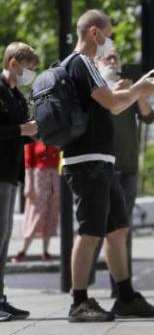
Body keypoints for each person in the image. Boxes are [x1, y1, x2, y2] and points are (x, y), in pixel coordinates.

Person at [61, 9, 154, 322]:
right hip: (89, 160)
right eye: (108, 33)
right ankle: (79, 302)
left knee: (117, 229)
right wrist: (141, 89)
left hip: (102, 161)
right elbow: (113, 104)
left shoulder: (80, 66)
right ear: (94, 33)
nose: (110, 41)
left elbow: (114, 103)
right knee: (90, 232)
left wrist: (138, 90)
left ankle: (125, 296)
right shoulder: (83, 64)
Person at [91, 48, 154, 296]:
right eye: (107, 56)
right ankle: (83, 284)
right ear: (97, 62)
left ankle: (121, 286)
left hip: (128, 166)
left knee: (122, 228)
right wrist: (119, 92)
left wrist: (136, 92)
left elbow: (149, 117)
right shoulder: (98, 88)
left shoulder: (130, 88)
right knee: (99, 228)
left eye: (116, 56)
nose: (113, 59)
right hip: (105, 165)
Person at [0, 42, 40, 321]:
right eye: (27, 68)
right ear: (13, 63)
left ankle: (0, 296)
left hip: (11, 171)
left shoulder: (15, 94)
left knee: (4, 237)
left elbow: (19, 132)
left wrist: (31, 133)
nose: (29, 74)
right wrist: (20, 129)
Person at [16, 138, 60, 263]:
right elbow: (28, 162)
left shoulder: (55, 136)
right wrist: (29, 184)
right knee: (35, 213)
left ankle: (45, 251)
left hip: (55, 176)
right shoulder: (33, 138)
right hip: (39, 177)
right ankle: (23, 250)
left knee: (51, 213)